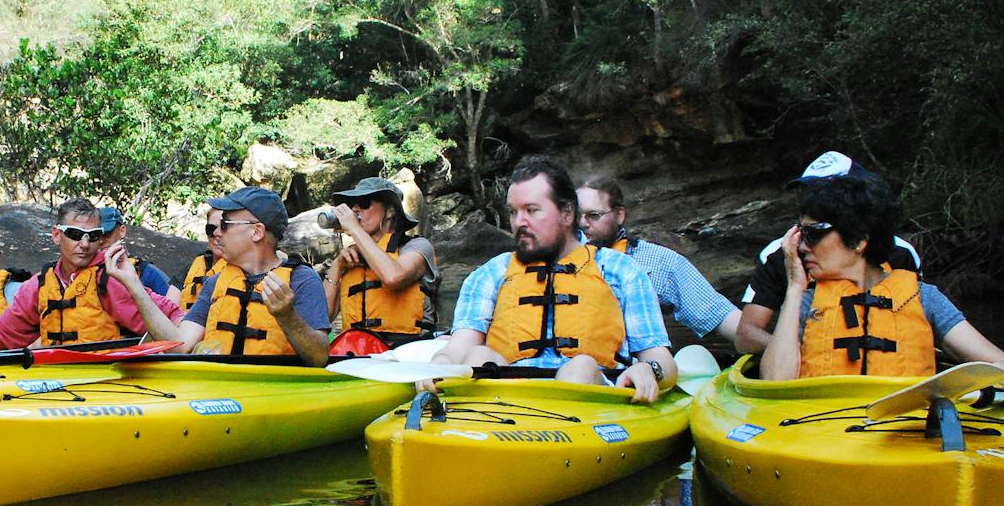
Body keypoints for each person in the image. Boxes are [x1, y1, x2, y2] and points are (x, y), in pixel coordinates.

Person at [425, 156, 677, 402]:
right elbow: (458, 347)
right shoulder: (491, 274)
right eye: (513, 212)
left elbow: (661, 359)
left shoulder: (621, 270)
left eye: (532, 210)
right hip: (508, 398)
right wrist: (440, 364)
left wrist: (649, 370)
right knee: (478, 355)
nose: (519, 222)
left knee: (580, 367)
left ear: (567, 213)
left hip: (592, 394)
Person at [758, 175, 1004, 379]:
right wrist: (794, 288)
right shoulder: (805, 303)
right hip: (824, 428)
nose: (801, 247)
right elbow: (774, 381)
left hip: (904, 429)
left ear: (857, 240)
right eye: (800, 235)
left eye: (812, 233)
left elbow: (996, 363)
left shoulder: (924, 299)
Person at [118, 187, 330, 367]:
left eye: (226, 224)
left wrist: (287, 316)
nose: (216, 233)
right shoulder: (216, 282)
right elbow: (181, 345)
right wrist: (134, 286)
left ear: (256, 232)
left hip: (272, 392)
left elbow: (319, 358)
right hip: (221, 391)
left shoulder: (302, 279)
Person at [737, 152, 922, 355]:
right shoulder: (779, 254)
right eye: (807, 191)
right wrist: (810, 350)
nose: (815, 199)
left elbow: (917, 321)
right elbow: (747, 335)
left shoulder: (900, 253)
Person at [0, 198, 184, 350]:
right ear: (56, 235)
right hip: (57, 380)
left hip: (106, 385)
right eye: (75, 234)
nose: (85, 244)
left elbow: (174, 317)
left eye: (93, 235)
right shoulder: (39, 285)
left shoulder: (111, 280)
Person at [576, 176, 738, 345]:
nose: (582, 223)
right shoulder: (554, 259)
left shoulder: (660, 261)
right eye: (577, 215)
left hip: (635, 366)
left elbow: (719, 315)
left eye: (593, 215)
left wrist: (760, 340)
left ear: (619, 215)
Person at [322, 176, 440, 348]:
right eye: (351, 205)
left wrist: (354, 229)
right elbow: (322, 318)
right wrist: (337, 266)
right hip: (357, 352)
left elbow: (393, 277)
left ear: (390, 211)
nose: (355, 210)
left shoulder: (417, 246)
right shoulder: (350, 258)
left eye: (364, 203)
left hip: (408, 348)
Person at [99, 206, 182, 304]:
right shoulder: (88, 272)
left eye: (106, 234)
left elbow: (173, 309)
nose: (100, 240)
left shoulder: (147, 272)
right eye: (95, 235)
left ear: (122, 231)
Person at [179, 206, 227, 312]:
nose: (216, 234)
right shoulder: (196, 264)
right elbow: (169, 303)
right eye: (211, 229)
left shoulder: (244, 272)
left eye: (224, 228)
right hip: (182, 323)